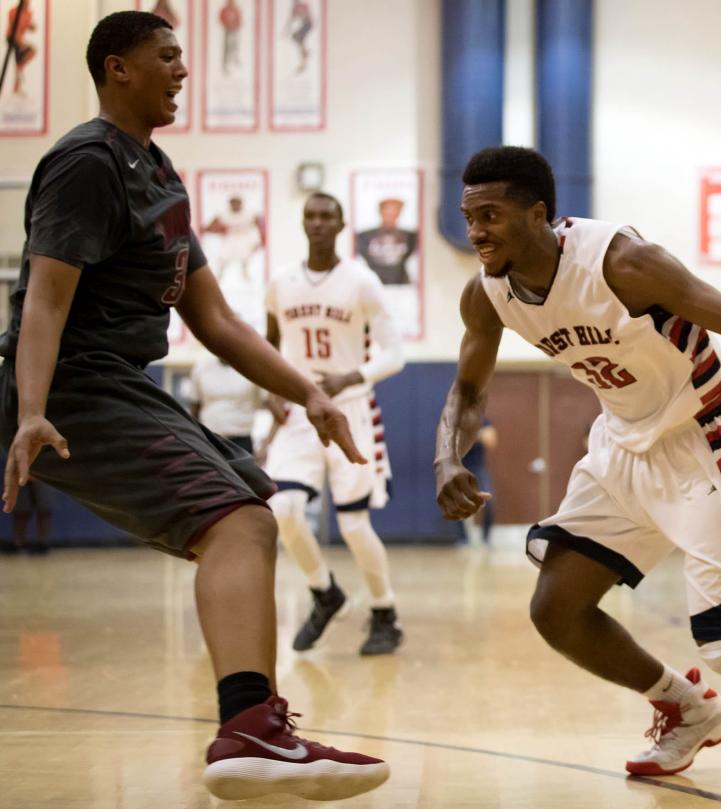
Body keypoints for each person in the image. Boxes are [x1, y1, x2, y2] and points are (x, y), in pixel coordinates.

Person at [0, 12, 388, 801]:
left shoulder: (162, 174)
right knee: (236, 519)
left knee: (252, 503)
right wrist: (32, 409)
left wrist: (309, 393)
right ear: (118, 68)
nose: (183, 70)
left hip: (119, 378)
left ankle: (257, 724)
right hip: (72, 383)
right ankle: (249, 725)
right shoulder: (86, 162)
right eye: (168, 56)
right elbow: (43, 300)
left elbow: (216, 320)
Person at [435, 146, 721, 776]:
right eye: (469, 218)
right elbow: (468, 388)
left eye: (489, 215)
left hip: (707, 436)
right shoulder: (487, 294)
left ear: (538, 213)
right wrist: (447, 458)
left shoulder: (624, 263)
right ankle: (688, 710)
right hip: (623, 444)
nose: (476, 232)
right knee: (556, 610)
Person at [263, 191, 405, 656]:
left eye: (328, 216)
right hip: (301, 413)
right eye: (311, 216)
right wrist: (269, 390)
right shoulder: (281, 282)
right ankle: (324, 592)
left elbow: (394, 353)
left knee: (354, 526)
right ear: (303, 224)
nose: (319, 223)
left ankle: (385, 613)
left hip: (352, 411)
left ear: (342, 225)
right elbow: (267, 345)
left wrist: (352, 375)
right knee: (282, 508)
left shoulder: (362, 282)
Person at [187, 352, 263, 454]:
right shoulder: (201, 367)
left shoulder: (250, 367)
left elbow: (262, 402)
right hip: (210, 440)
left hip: (242, 440)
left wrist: (265, 445)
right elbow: (195, 407)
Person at [355, 198, 418, 286]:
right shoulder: (363, 236)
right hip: (373, 282)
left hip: (401, 284)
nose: (390, 216)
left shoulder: (411, 236)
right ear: (381, 212)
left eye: (394, 213)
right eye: (387, 212)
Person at [202, 195, 264, 283]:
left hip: (244, 239)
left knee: (245, 260)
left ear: (241, 204)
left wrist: (259, 240)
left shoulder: (249, 214)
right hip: (230, 239)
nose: (235, 205)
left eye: (237, 203)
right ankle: (218, 278)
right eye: (233, 203)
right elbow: (209, 226)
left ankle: (247, 278)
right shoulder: (224, 215)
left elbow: (259, 226)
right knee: (223, 259)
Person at [5, 0, 37, 97]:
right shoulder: (13, 11)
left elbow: (31, 28)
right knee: (30, 51)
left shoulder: (28, 13)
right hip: (13, 39)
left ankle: (17, 85)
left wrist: (31, 26)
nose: (27, 4)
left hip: (20, 41)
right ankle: (17, 83)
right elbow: (14, 29)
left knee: (24, 57)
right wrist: (21, 43)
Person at [284, 0, 313, 74]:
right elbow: (291, 20)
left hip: (307, 24)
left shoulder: (299, 7)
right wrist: (287, 29)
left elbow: (292, 19)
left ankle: (304, 53)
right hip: (307, 24)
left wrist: (287, 29)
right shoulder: (297, 8)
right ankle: (304, 54)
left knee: (297, 38)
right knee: (297, 39)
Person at [218, 0, 241, 76]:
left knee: (235, 46)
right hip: (228, 30)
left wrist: (236, 25)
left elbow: (239, 18)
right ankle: (225, 65)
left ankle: (234, 61)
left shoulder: (235, 9)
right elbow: (221, 17)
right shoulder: (225, 9)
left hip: (234, 30)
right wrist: (226, 25)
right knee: (227, 48)